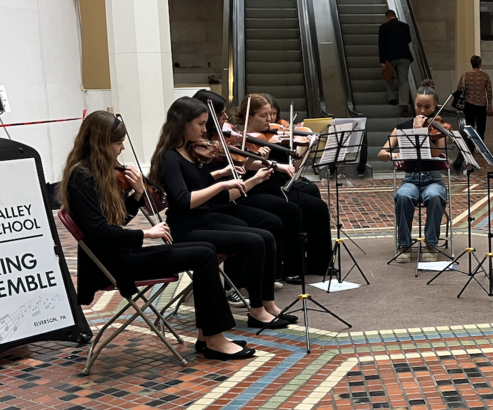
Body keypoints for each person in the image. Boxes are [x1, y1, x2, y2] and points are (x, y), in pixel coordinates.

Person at [60, 111, 254, 361]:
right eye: (118, 143)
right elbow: (100, 232)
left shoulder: (95, 172)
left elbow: (115, 222)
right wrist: (146, 233)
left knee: (205, 250)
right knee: (204, 255)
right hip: (113, 263)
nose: (122, 149)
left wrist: (138, 195)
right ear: (100, 143)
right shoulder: (82, 177)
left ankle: (208, 336)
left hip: (121, 254)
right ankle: (214, 339)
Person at [150, 97, 294, 330]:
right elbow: (184, 200)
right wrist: (220, 184)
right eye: (200, 123)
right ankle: (257, 311)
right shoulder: (170, 157)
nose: (204, 129)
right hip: (186, 229)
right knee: (256, 241)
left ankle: (268, 304)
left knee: (266, 236)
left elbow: (215, 195)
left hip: (204, 221)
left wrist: (241, 178)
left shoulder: (193, 153)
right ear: (183, 123)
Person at [235, 93, 334, 277]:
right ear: (249, 117)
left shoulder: (274, 135)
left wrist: (305, 151)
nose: (270, 119)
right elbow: (246, 165)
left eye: (271, 114)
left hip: (279, 185)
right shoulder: (240, 140)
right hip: (257, 189)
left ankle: (320, 263)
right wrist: (273, 164)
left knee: (318, 207)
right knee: (291, 210)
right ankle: (292, 268)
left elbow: (293, 169)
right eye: (264, 115)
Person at [378, 81, 448, 258]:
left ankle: (431, 244)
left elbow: (436, 152)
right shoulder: (401, 128)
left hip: (433, 179)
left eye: (427, 107)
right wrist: (393, 155)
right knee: (403, 196)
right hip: (411, 179)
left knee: (435, 195)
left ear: (435, 106)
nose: (422, 111)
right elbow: (381, 154)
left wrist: (420, 131)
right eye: (418, 106)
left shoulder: (439, 127)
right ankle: (404, 244)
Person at [379, 9, 414, 116]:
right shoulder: (405, 26)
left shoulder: (384, 27)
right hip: (405, 56)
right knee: (403, 80)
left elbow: (381, 44)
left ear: (387, 17)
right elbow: (408, 40)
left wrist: (382, 60)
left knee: (387, 77)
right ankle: (404, 105)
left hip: (390, 58)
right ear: (395, 16)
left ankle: (392, 98)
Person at [456, 55, 493, 140]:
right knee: (481, 126)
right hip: (481, 104)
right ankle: (480, 142)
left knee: (469, 125)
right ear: (480, 64)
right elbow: (489, 90)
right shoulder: (485, 76)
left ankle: (470, 143)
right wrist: (490, 103)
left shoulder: (465, 75)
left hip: (468, 103)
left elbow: (459, 88)